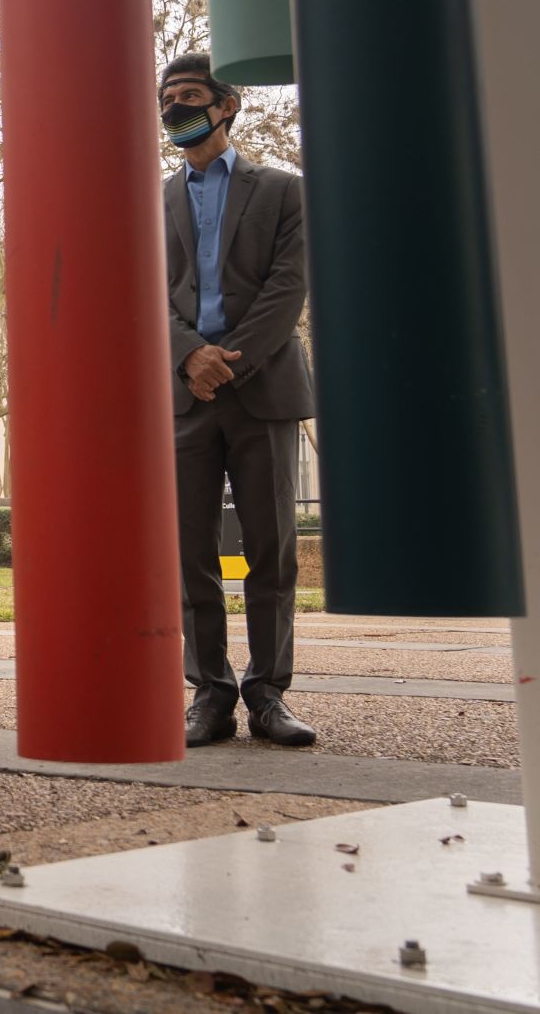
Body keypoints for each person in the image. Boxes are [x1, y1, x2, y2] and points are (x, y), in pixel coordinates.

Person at [159, 53, 317, 749]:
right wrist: (187, 353)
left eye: (189, 96)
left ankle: (269, 691)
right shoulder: (150, 200)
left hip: (264, 391)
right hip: (182, 394)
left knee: (271, 549)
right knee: (190, 550)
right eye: (166, 99)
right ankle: (210, 693)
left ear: (226, 105)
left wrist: (228, 363)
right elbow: (137, 289)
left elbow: (288, 289)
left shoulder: (284, 191)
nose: (174, 109)